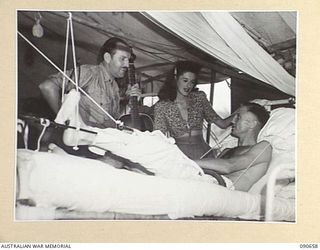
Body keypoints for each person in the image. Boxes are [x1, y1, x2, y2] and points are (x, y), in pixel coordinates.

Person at [39, 36, 140, 129]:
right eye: (123, 59)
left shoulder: (114, 86)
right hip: (84, 143)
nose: (127, 65)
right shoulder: (88, 73)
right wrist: (64, 121)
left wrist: (129, 103)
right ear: (107, 58)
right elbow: (47, 86)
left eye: (128, 60)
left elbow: (113, 120)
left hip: (103, 142)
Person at [153, 61, 235, 160]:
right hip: (179, 156)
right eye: (185, 80)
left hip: (204, 153)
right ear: (175, 78)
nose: (188, 86)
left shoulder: (199, 98)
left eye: (192, 82)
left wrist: (240, 113)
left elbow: (223, 124)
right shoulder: (162, 106)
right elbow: (157, 138)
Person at [195, 102, 272, 191]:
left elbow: (228, 166)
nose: (232, 121)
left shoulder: (264, 148)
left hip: (225, 191)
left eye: (238, 117)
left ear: (252, 124)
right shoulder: (227, 151)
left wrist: (187, 161)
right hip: (207, 182)